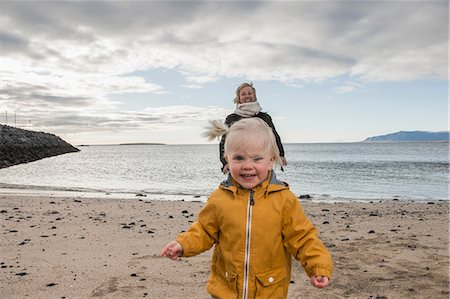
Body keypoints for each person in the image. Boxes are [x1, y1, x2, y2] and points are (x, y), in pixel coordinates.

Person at [161, 118, 333, 298]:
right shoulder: (220, 199)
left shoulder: (284, 200)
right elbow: (203, 230)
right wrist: (183, 244)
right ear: (227, 160)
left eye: (257, 158)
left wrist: (318, 265)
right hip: (225, 289)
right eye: (239, 158)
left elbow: (303, 237)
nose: (247, 165)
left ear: (270, 161)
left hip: (268, 290)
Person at [219, 82, 287, 174]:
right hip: (238, 164)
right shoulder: (232, 119)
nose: (247, 96)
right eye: (243, 94)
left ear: (255, 96)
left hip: (261, 163)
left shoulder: (264, 118)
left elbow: (274, 137)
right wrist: (225, 163)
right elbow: (224, 142)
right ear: (239, 98)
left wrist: (281, 155)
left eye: (250, 93)